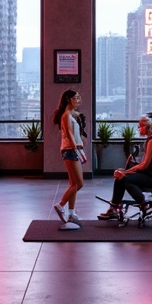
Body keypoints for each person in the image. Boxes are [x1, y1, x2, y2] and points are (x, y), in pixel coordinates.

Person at [98, 112, 152, 220]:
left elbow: (144, 165)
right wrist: (125, 171)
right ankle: (114, 208)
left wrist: (125, 172)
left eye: (140, 127)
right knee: (121, 176)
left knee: (124, 179)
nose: (139, 129)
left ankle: (145, 207)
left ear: (147, 127)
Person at [51, 89, 88, 230]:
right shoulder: (66, 115)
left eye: (79, 98)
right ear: (68, 99)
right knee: (79, 183)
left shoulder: (70, 115)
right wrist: (76, 150)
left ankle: (71, 213)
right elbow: (69, 135)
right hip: (70, 151)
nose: (78, 101)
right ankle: (61, 205)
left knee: (73, 184)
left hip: (72, 150)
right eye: (76, 98)